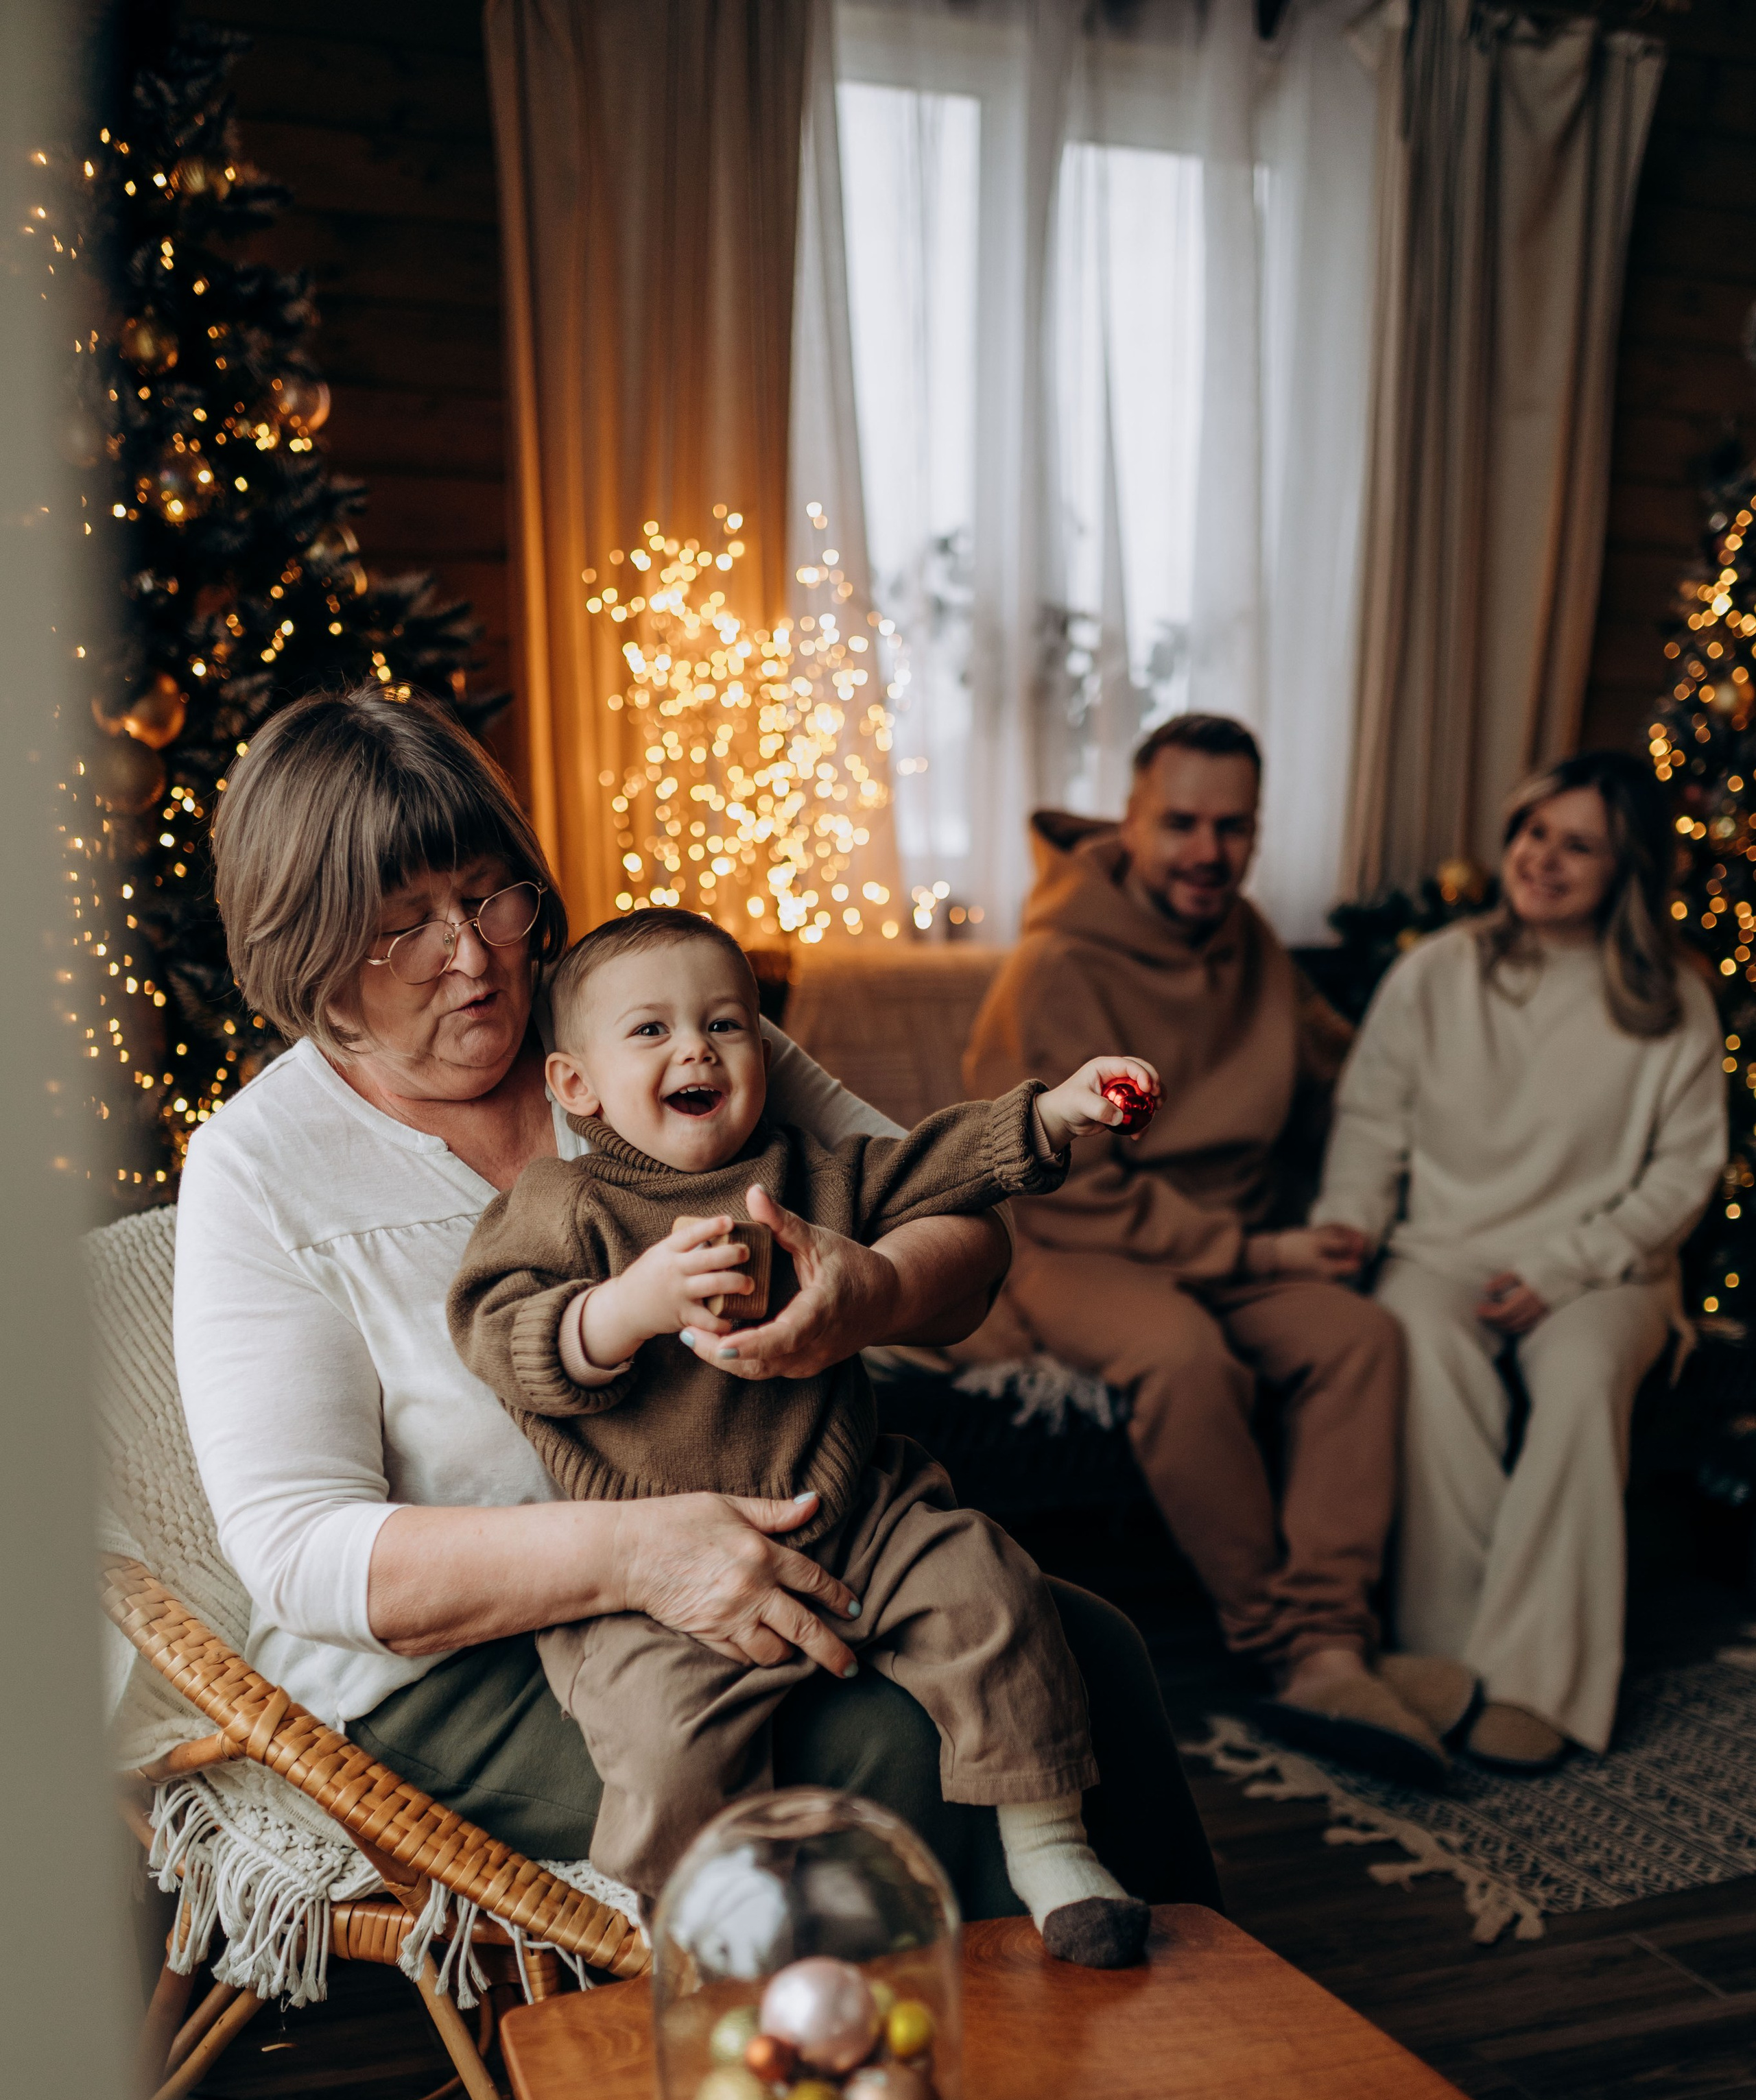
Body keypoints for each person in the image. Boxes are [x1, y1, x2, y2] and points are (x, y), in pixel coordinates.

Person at [174, 686, 1220, 1929]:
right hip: (466, 1663)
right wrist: (640, 1552)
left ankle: (1170, 2059)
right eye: (409, 929)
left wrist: (871, 1291)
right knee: (884, 1749)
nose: (478, 956)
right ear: (312, 959)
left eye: (489, 894)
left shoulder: (648, 1022)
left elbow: (954, 1225)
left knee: (1082, 1646)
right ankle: (856, 2090)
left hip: (784, 1538)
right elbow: (301, 1554)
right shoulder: (259, 1168)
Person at [447, 905, 1160, 1960]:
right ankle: (694, 1932)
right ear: (574, 1085)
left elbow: (940, 1167)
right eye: (652, 1031)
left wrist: (1051, 1116)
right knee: (658, 1740)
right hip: (660, 1567)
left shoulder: (812, 1172)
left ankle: (1051, 1848)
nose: (696, 1048)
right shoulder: (562, 1204)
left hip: (857, 1510)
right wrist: (627, 1307)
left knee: (994, 1593)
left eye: (726, 1025)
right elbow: (495, 1331)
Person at [965, 712, 1462, 1784]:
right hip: (1081, 1243)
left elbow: (1354, 1083)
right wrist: (1270, 1253)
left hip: (1237, 1245)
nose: (1208, 852)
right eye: (1182, 823)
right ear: (1132, 821)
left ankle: (1334, 1641)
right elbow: (1069, 1187)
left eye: (1233, 828)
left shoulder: (1252, 947)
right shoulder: (1057, 967)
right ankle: (1286, 1652)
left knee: (1361, 1336)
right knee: (1186, 1359)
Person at [1309, 751, 1726, 1771]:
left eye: (1578, 845)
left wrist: (1569, 1265)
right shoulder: (1438, 971)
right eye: (1535, 831)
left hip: (1610, 1268)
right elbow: (1373, 1122)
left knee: (1583, 1380)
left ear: (1625, 872)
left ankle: (1539, 1687)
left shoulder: (1673, 1000)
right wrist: (1349, 1222)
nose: (1543, 858)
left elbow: (1685, 1174)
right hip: (1443, 1251)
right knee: (1420, 1344)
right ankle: (1448, 1664)